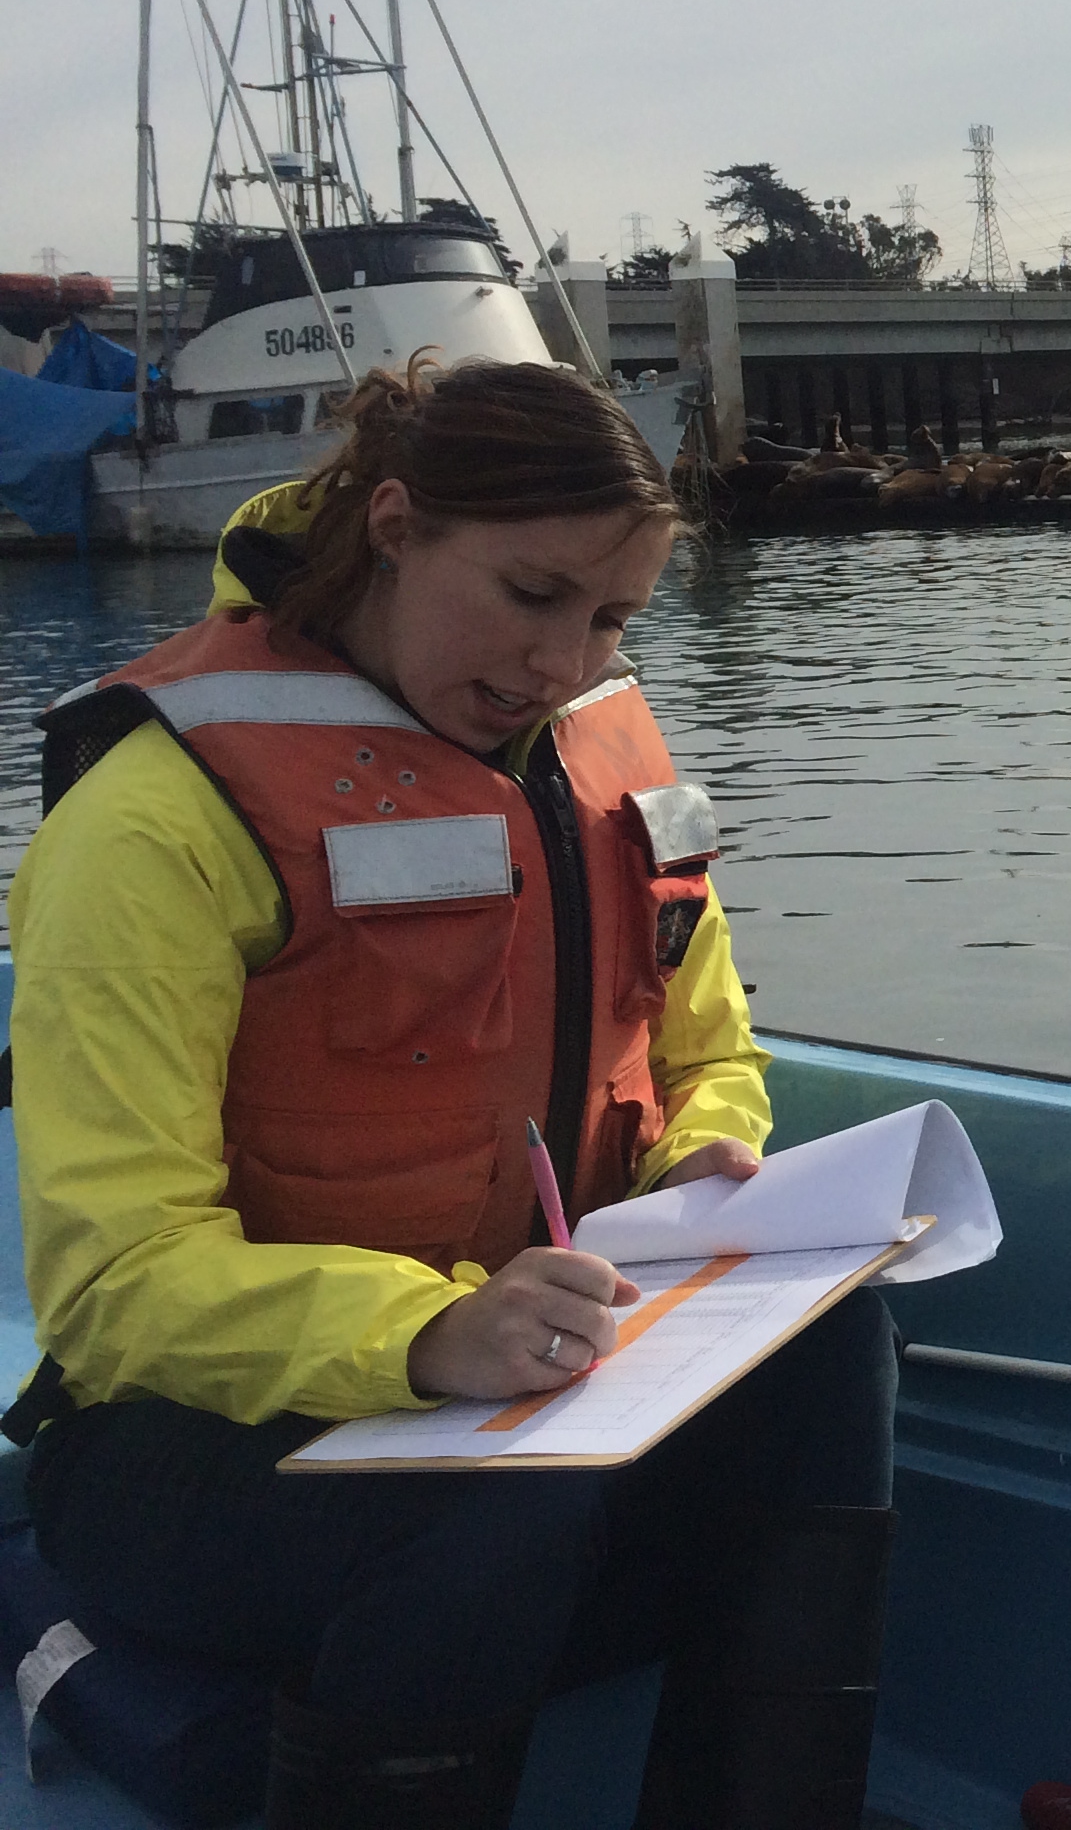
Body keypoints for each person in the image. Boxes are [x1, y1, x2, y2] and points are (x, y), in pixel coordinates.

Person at [4, 356, 897, 1829]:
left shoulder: (603, 756)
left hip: (529, 1378)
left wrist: (706, 1150)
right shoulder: (157, 819)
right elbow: (111, 1286)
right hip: (193, 1447)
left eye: (611, 618)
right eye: (533, 594)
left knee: (835, 1345)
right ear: (399, 524)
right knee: (501, 1507)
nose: (566, 662)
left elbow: (706, 1048)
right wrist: (425, 1337)